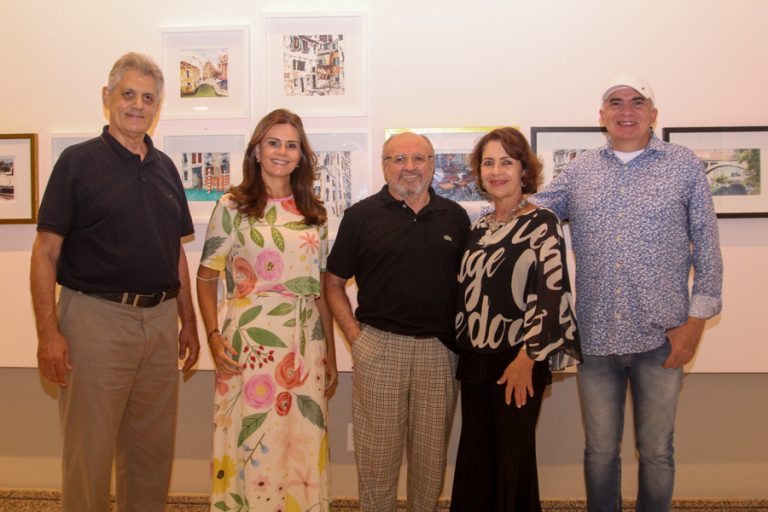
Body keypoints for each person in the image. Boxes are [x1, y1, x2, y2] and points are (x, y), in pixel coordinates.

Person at [531, 75, 723, 512]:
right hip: (597, 339)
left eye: (638, 102)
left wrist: (695, 322)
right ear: (601, 116)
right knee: (600, 452)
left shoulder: (683, 166)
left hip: (664, 337)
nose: (626, 110)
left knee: (657, 452)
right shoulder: (580, 171)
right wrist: (465, 216)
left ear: (654, 114)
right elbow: (529, 213)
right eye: (615, 102)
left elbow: (707, 248)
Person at [30, 52, 199, 512]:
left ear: (157, 106)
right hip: (95, 321)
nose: (137, 105)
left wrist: (189, 323)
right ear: (107, 98)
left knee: (151, 455)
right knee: (90, 454)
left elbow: (175, 251)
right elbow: (45, 253)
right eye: (128, 94)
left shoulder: (165, 168)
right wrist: (49, 334)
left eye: (148, 97)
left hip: (160, 323)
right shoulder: (77, 162)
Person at [196, 108, 338, 512]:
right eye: (273, 142)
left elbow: (320, 292)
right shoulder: (233, 206)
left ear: (301, 155)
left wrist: (328, 351)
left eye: (291, 145)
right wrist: (213, 333)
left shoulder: (316, 214)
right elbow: (206, 277)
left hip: (303, 345)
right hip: (250, 343)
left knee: (301, 444)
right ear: (257, 150)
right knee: (254, 443)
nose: (282, 151)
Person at [325, 132, 471, 512]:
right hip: (380, 348)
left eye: (418, 158)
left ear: (433, 163)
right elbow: (333, 283)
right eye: (398, 159)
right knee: (376, 458)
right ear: (384, 166)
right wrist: (356, 338)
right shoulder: (361, 217)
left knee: (430, 459)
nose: (409, 167)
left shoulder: (455, 218)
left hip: (439, 354)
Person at [450, 127, 582, 511]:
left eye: (506, 162)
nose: (496, 171)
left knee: (513, 462)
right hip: (475, 361)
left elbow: (552, 293)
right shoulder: (478, 227)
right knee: (476, 461)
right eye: (488, 162)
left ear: (524, 169)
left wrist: (529, 358)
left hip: (519, 359)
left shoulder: (543, 222)